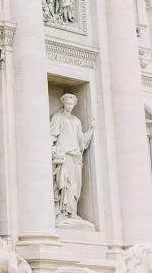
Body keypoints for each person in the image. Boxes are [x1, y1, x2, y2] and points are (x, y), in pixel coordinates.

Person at [50, 93, 94, 221]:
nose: (69, 106)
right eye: (67, 104)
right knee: (66, 183)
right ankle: (65, 212)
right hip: (65, 154)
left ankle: (72, 211)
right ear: (63, 103)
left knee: (75, 185)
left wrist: (91, 129)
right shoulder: (58, 117)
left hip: (76, 156)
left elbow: (81, 141)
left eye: (71, 104)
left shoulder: (77, 121)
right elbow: (52, 135)